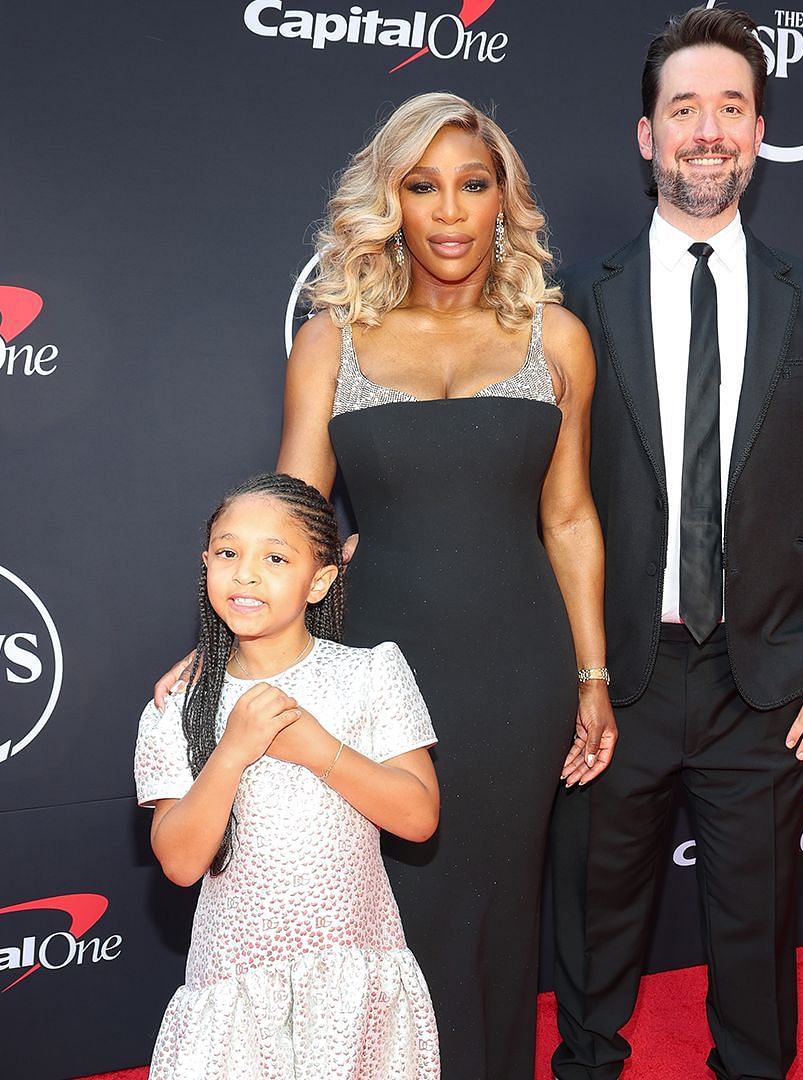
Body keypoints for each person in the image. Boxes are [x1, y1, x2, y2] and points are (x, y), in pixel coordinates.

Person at [154, 92, 610, 1079]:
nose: (449, 211)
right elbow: (295, 511)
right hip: (378, 672)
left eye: (472, 185)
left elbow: (570, 519)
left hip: (516, 672)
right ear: (391, 202)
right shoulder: (331, 341)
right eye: (422, 186)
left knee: (498, 905)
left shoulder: (557, 338)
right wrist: (217, 642)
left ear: (504, 201)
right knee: (391, 909)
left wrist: (590, 674)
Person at [546, 8, 803, 1079]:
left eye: (730, 108)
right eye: (683, 108)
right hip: (618, 677)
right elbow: (536, 493)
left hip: (767, 678)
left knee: (755, 933)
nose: (707, 129)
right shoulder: (573, 307)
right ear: (647, 136)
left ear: (759, 131)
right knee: (594, 923)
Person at [135, 472, 441, 1077]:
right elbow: (179, 861)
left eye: (275, 557)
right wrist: (231, 752)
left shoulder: (371, 675)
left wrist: (319, 750)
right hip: (235, 977)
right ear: (206, 565)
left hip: (355, 971)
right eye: (228, 553)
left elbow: (419, 816)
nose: (245, 574)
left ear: (321, 580)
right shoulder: (176, 706)